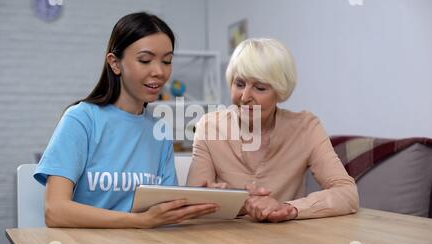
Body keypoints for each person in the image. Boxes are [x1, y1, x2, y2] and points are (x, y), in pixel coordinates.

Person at [34, 12, 217, 228]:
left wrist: (202, 200)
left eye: (167, 61)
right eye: (145, 60)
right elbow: (55, 211)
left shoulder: (159, 129)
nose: (159, 71)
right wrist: (139, 221)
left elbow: (164, 211)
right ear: (115, 63)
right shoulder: (81, 119)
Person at [187, 38, 359, 222]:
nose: (245, 97)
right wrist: (237, 202)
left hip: (287, 241)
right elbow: (191, 203)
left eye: (259, 88)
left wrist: (289, 208)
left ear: (280, 91)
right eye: (239, 84)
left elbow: (347, 193)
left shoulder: (306, 128)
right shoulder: (209, 127)